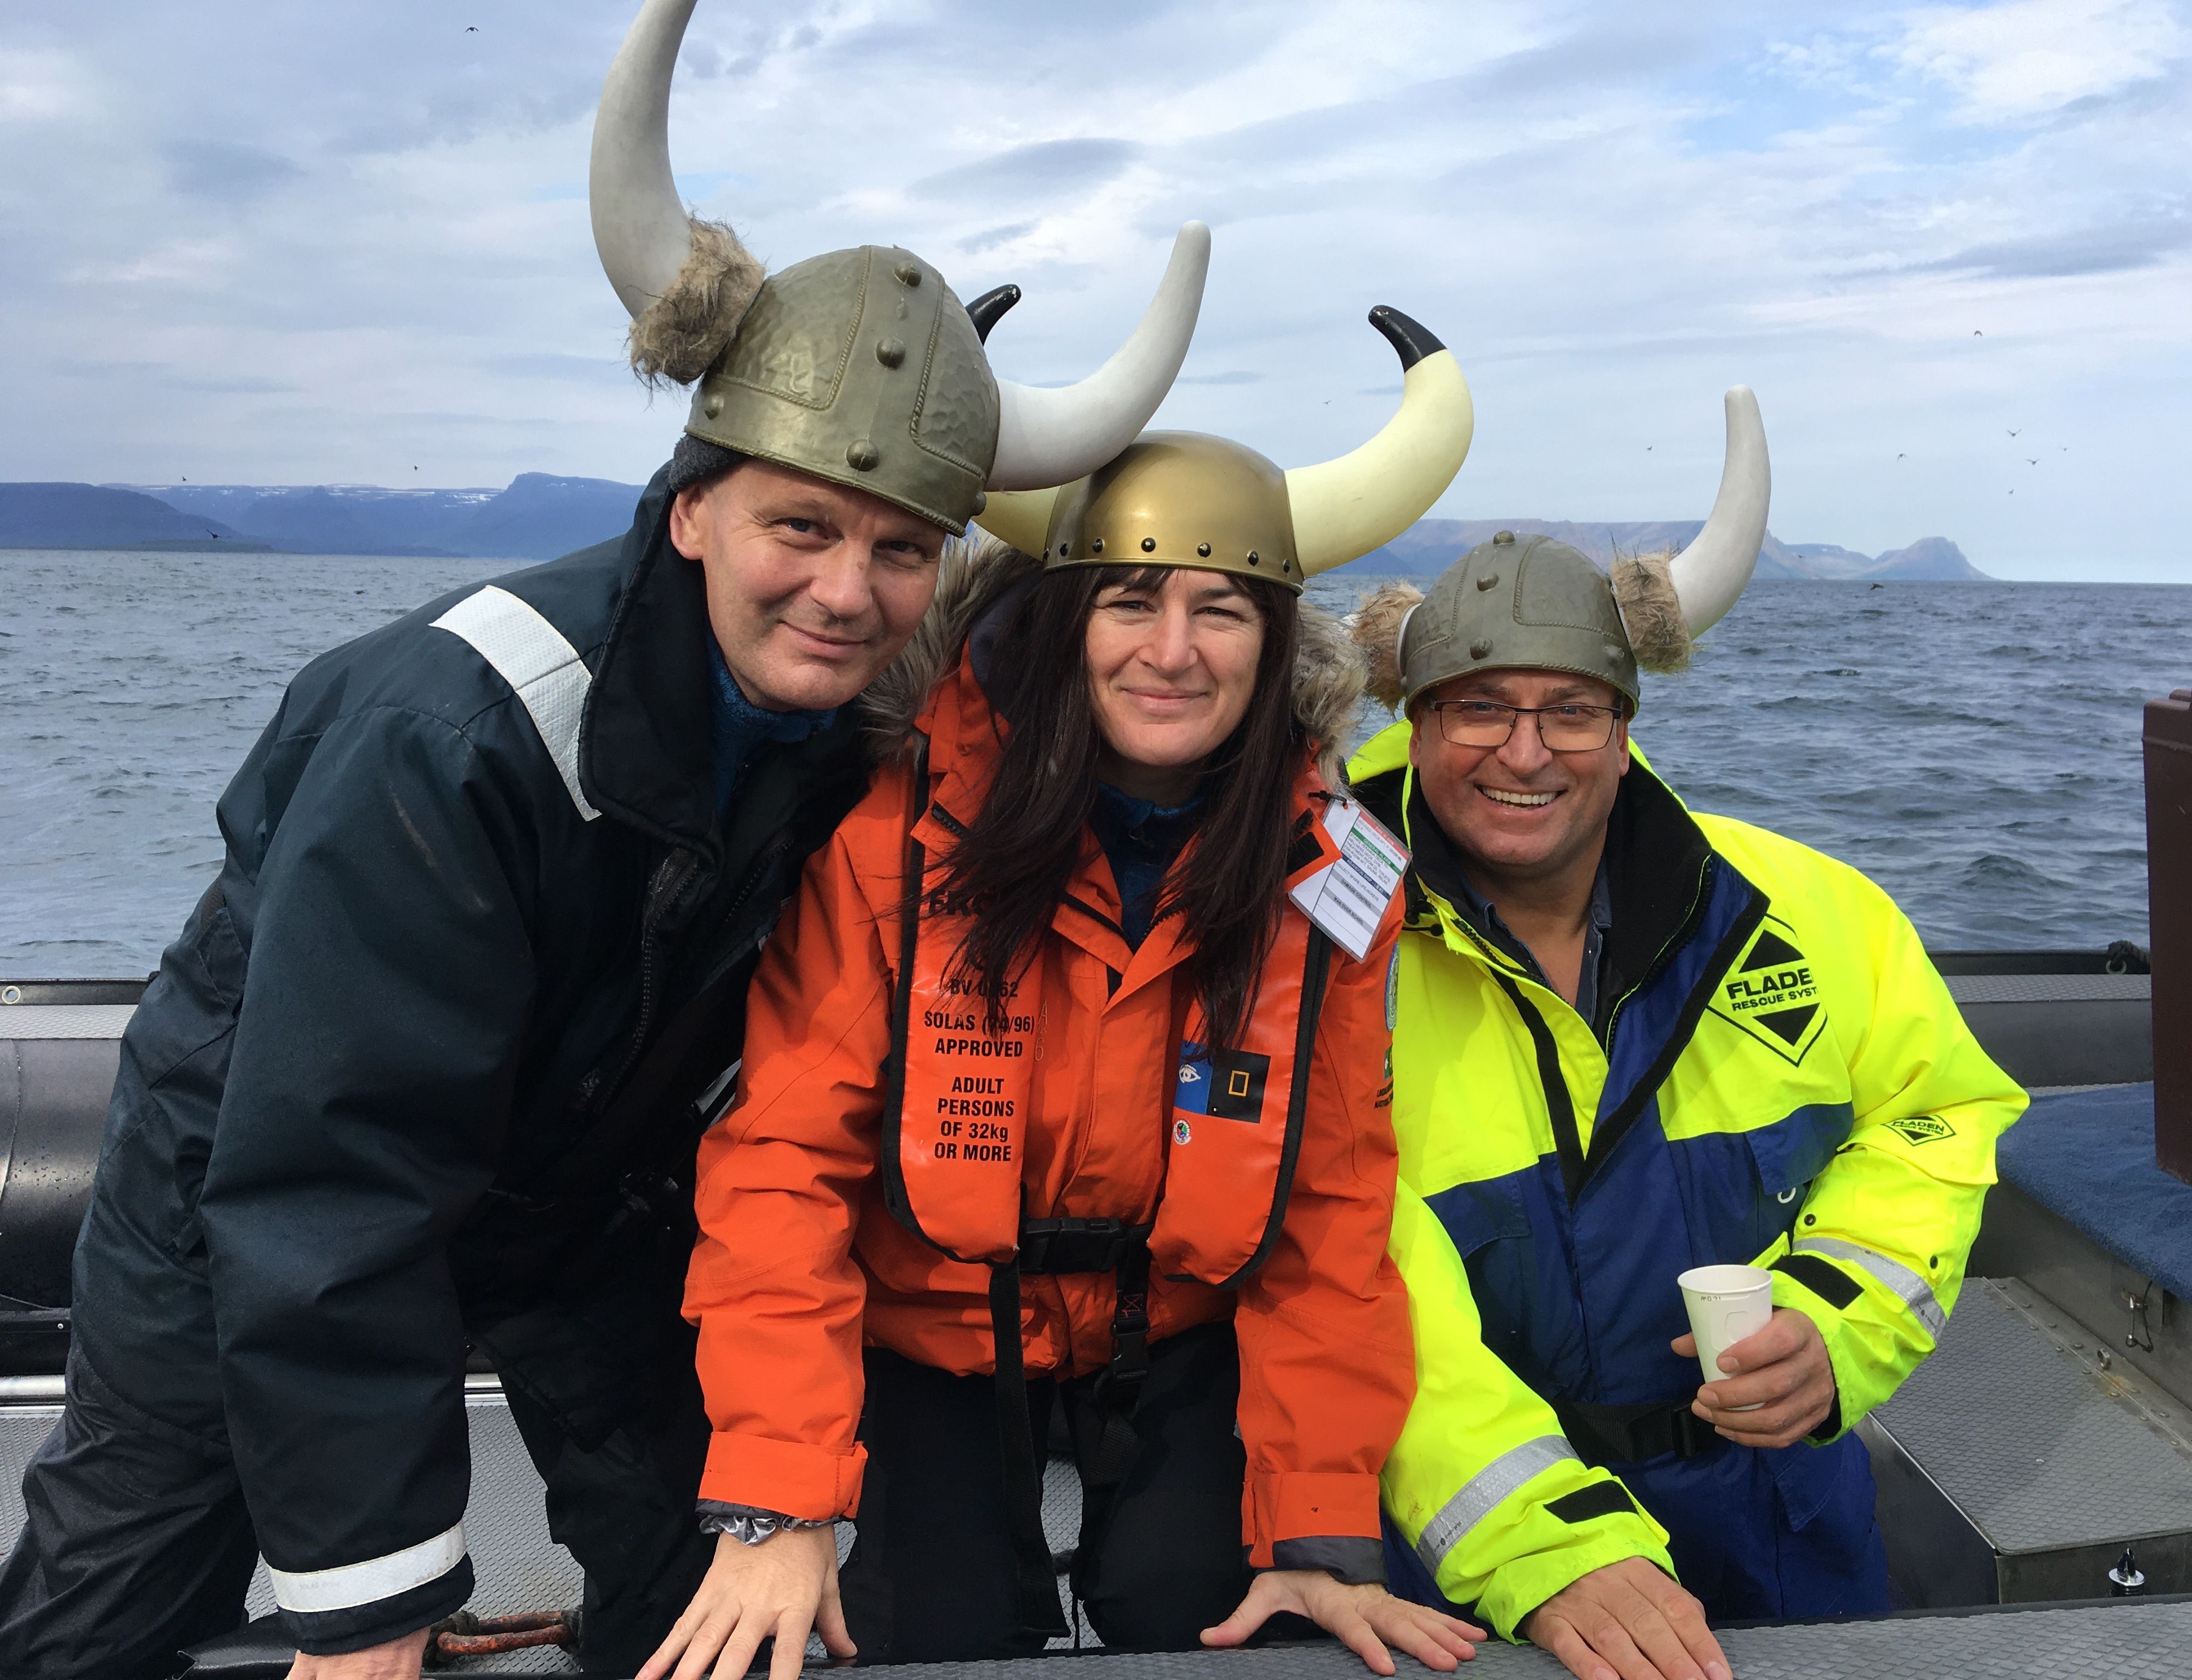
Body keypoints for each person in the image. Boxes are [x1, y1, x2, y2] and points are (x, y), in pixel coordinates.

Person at [0, 1, 1209, 1673]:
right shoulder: (460, 731)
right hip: (250, 1181)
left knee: (706, 1602)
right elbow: (332, 1165)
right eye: (801, 525)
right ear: (693, 506)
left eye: (900, 548)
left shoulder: (859, 727)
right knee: (111, 1609)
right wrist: (375, 1603)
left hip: (579, 1188)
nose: (847, 591)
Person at [637, 310, 1481, 1680]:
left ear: (1273, 646)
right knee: (926, 1638)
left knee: (1229, 1629)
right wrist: (779, 1503)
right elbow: (783, 1162)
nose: (1174, 650)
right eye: (1130, 601)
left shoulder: (1330, 875)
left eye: (1221, 610)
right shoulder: (897, 837)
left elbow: (1329, 1211)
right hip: (930, 1330)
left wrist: (1322, 1527)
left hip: (1182, 1330)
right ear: (1059, 621)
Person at [1348, 389, 2028, 1680]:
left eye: (1572, 710)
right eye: (1477, 708)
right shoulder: (1324, 953)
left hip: (1783, 1519)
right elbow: (1340, 1271)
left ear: (1626, 729)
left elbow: (1938, 1117)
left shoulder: (1808, 911)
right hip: (1464, 1569)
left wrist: (1833, 1324)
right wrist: (1540, 1543)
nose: (1525, 753)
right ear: (1414, 725)